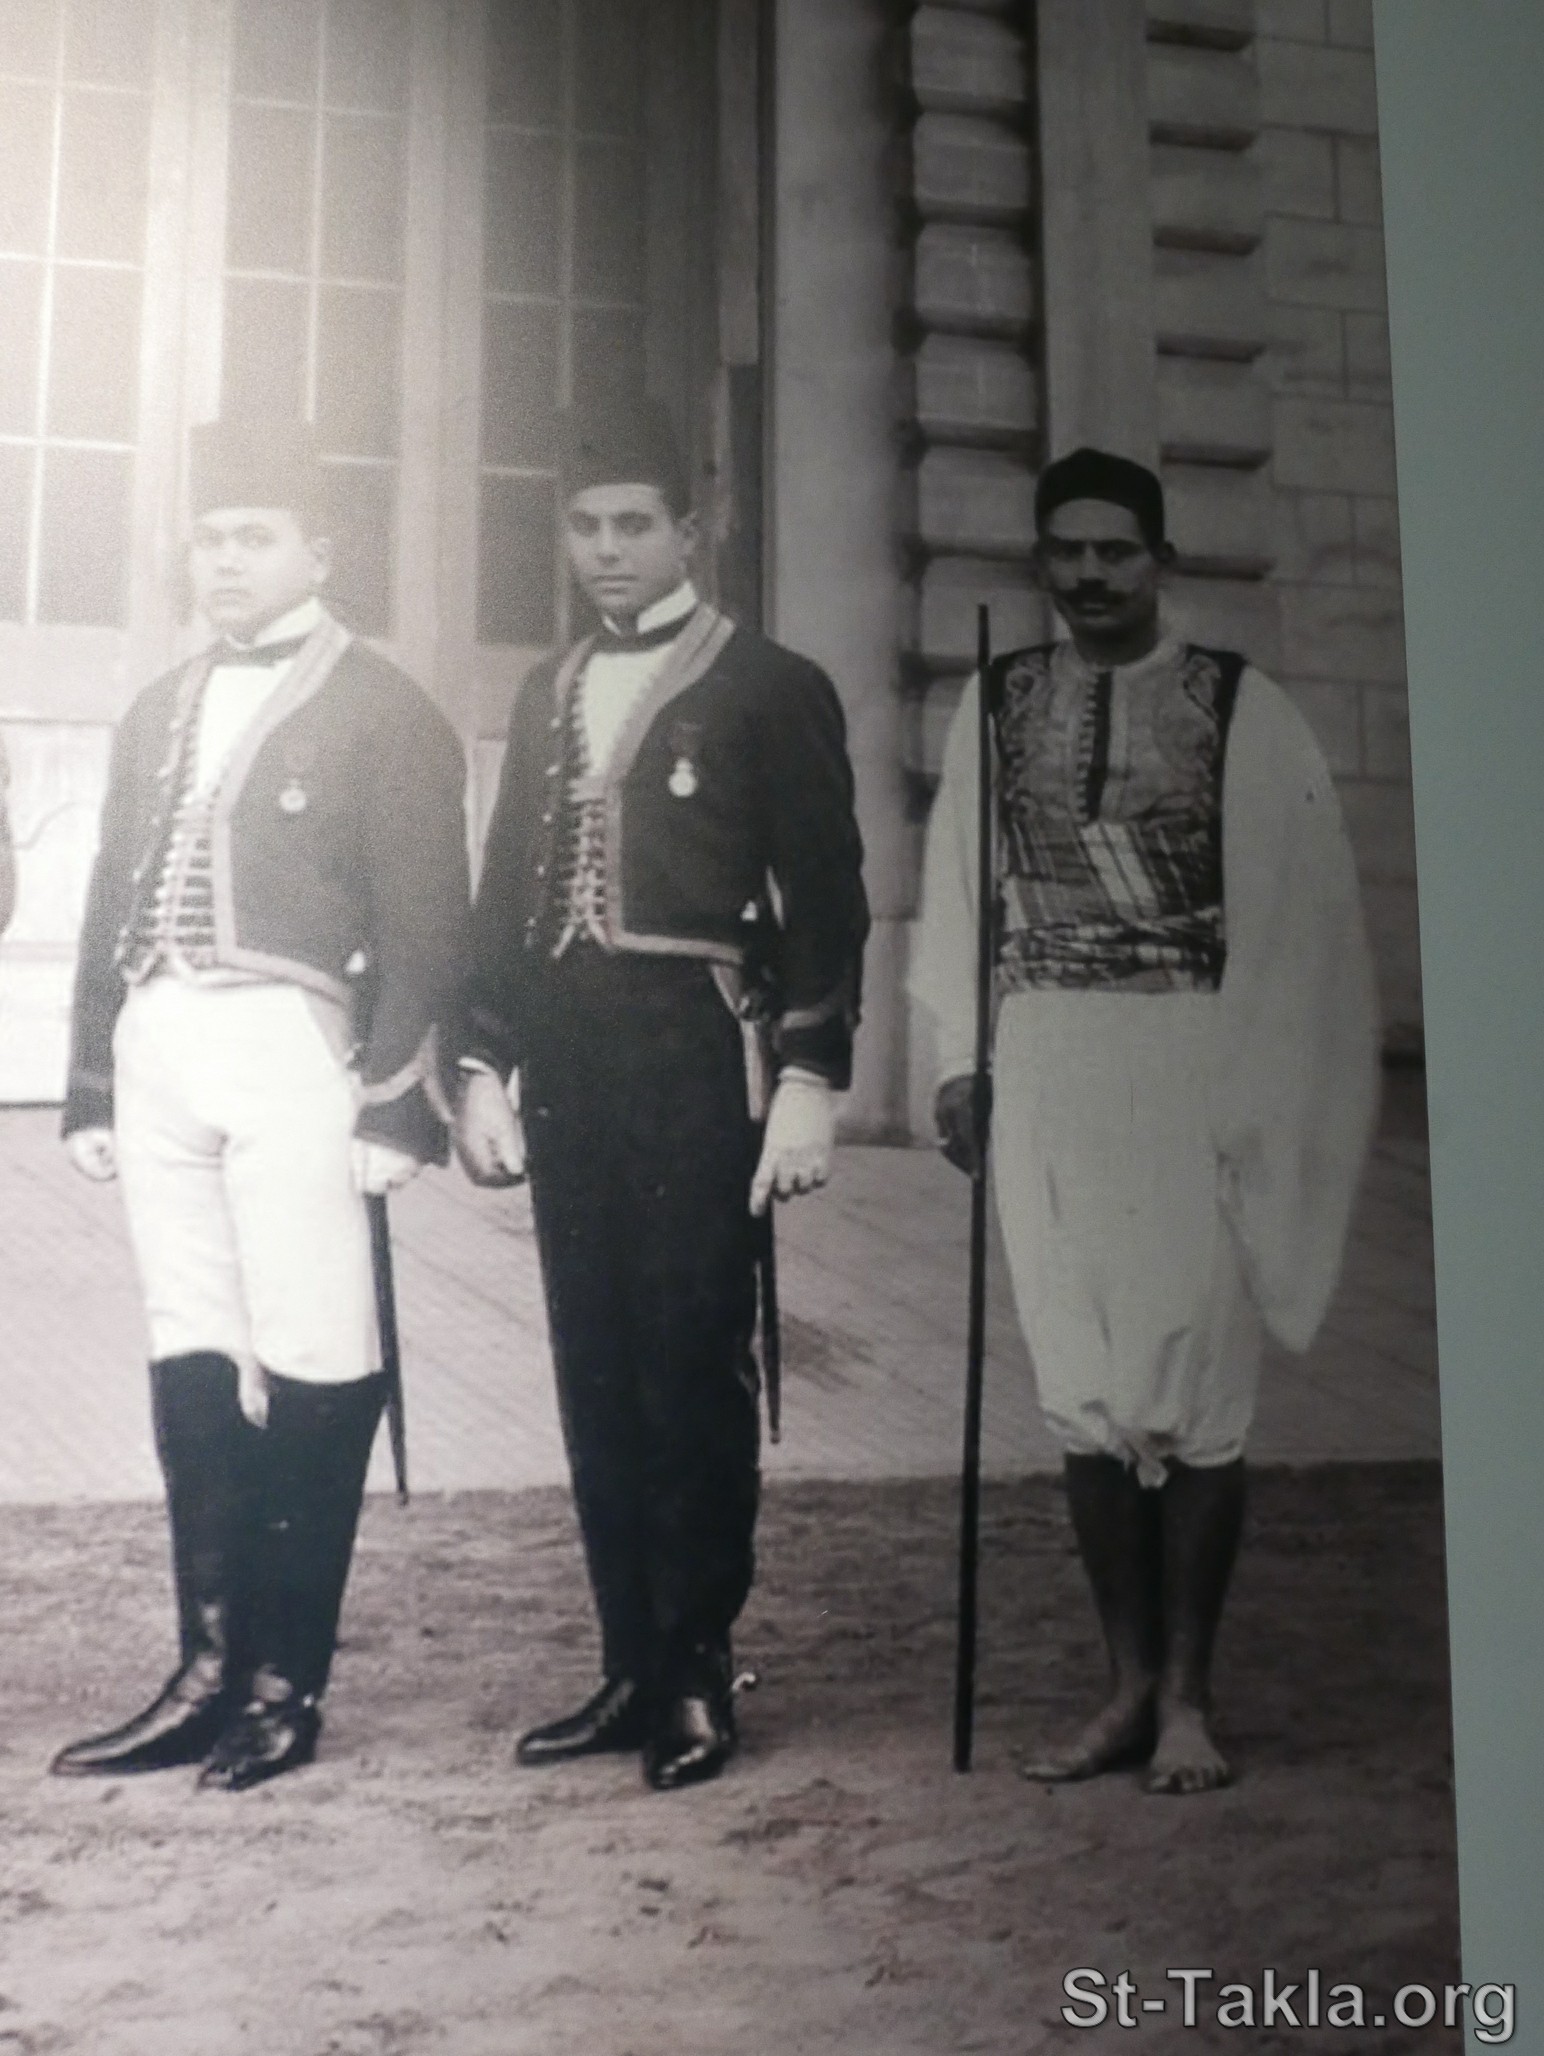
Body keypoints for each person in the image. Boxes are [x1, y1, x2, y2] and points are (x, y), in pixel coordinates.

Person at [911, 447, 1378, 1794]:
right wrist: (961, 1057)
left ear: (1160, 560)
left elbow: (1299, 913)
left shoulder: (1240, 704)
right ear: (1041, 560)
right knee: (1083, 1381)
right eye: (1067, 550)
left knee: (1196, 1384)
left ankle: (1188, 1696)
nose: (1091, 573)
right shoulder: (997, 699)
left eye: (1117, 550)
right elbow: (960, 886)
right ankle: (1122, 1685)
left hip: (1190, 1058)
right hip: (1048, 1056)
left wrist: (1259, 1085)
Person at [455, 395, 869, 1791]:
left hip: (697, 1057)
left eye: (634, 523)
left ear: (694, 530)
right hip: (571, 1063)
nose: (607, 549)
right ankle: (628, 1662)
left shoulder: (770, 683)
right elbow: (507, 890)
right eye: (584, 525)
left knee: (690, 1360)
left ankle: (697, 1667)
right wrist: (481, 1063)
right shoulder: (547, 686)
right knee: (594, 1363)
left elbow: (828, 902)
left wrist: (808, 1077)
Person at [51, 416, 470, 1791]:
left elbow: (428, 921)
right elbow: (111, 894)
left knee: (313, 1349)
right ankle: (206, 1671)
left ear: (319, 551)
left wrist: (397, 1104)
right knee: (191, 1342)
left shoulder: (388, 710)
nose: (226, 561)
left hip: (297, 1048)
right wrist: (93, 1077)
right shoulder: (159, 705)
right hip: (164, 1036)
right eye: (210, 538)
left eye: (255, 538)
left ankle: (287, 1685)